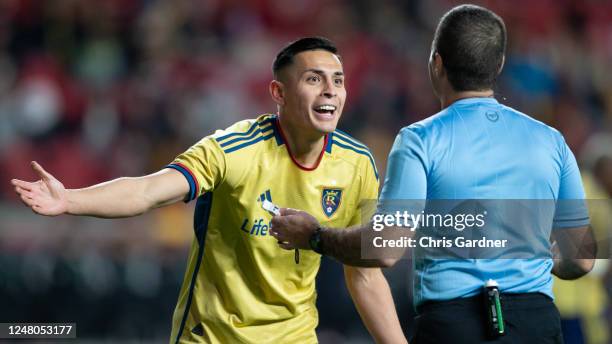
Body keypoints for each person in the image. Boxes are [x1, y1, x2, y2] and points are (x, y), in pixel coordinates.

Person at [11, 37, 407, 344]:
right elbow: (149, 190)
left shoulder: (357, 164)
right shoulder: (233, 150)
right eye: (313, 79)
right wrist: (71, 199)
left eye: (338, 80)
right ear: (278, 94)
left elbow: (366, 276)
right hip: (212, 336)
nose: (330, 91)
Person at [269, 6, 596, 344]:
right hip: (537, 324)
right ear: (498, 65)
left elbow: (385, 248)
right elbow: (582, 259)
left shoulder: (420, 141)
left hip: (454, 324)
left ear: (436, 63)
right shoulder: (550, 141)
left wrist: (316, 236)